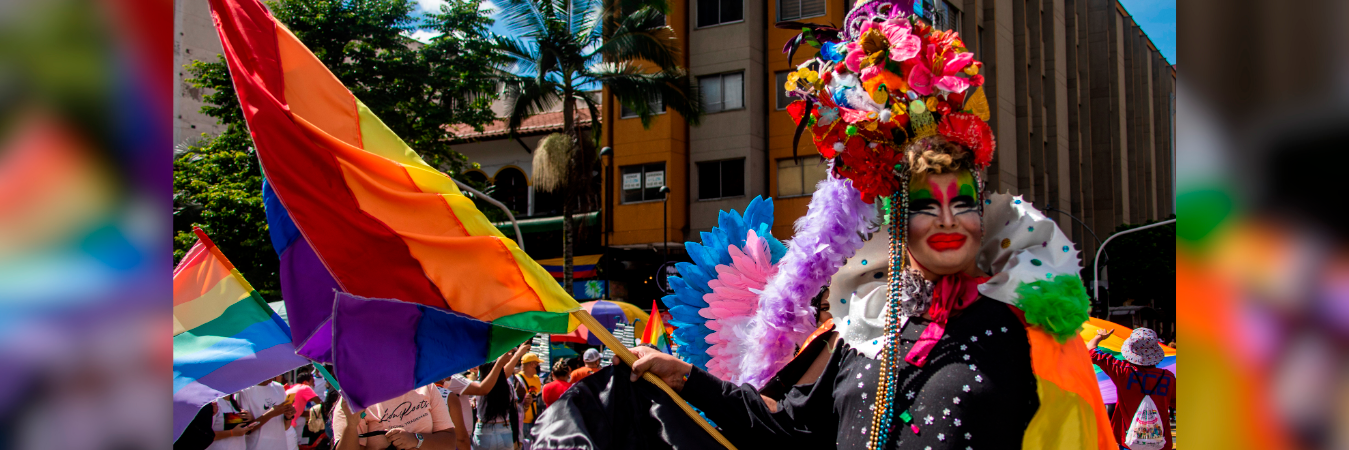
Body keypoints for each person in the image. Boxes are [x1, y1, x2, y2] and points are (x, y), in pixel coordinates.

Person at [610, 2, 1114, 449]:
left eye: (962, 204)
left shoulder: (1027, 333)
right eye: (925, 205)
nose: (946, 219)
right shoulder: (860, 331)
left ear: (983, 220)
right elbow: (788, 431)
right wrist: (686, 377)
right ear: (898, 227)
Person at [1089, 328, 1177, 450]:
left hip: (1128, 441)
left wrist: (1100, 337)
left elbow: (1091, 351)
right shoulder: (1168, 377)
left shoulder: (1122, 370)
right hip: (1161, 442)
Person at [332, 383, 463, 450]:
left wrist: (416, 439)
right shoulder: (352, 402)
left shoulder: (426, 387)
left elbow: (449, 442)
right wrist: (351, 426)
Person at [238, 376, 295, 450]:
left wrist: (288, 417)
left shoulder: (279, 387)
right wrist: (271, 413)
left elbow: (285, 427)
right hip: (257, 446)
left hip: (280, 446)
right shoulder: (244, 391)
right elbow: (246, 429)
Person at [513, 353, 544, 448]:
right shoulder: (517, 379)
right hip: (521, 421)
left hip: (534, 420)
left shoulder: (537, 378)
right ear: (532, 364)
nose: (539, 366)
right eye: (537, 364)